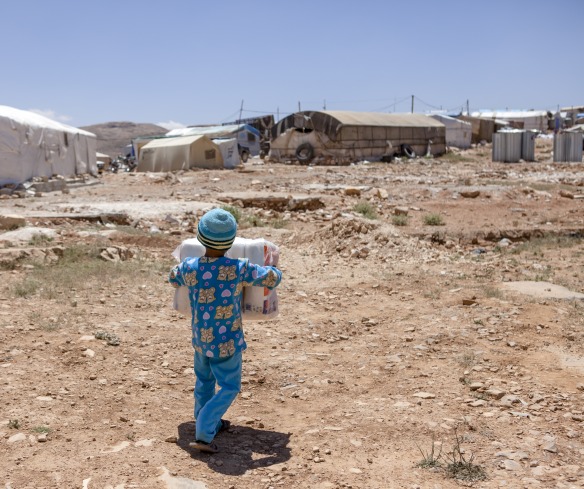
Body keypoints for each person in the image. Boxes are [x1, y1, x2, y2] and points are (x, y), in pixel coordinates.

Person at [168, 208, 282, 453]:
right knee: (230, 386)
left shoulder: (190, 267)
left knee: (204, 380)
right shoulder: (238, 267)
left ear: (199, 238)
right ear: (231, 242)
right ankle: (204, 428)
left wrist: (180, 272)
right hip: (227, 341)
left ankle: (207, 420)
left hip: (200, 339)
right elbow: (270, 278)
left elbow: (173, 276)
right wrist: (276, 270)